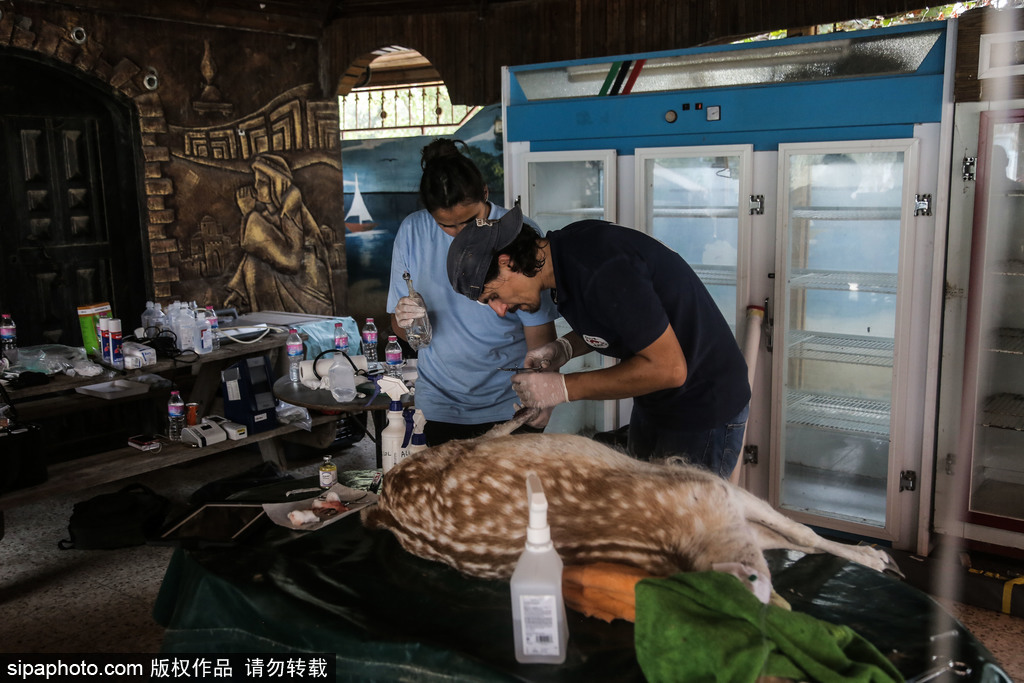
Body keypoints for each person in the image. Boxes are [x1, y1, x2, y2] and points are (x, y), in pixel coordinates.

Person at [446, 207, 750, 477]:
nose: (500, 310)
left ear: (507, 262)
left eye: (493, 296)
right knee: (644, 519)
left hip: (703, 405)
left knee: (683, 533)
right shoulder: (561, 259)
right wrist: (563, 349)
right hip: (657, 404)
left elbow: (669, 369)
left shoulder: (600, 266)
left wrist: (563, 389)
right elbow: (621, 318)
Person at [387, 139, 558, 446]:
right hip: (439, 402)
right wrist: (409, 322)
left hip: (509, 401)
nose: (460, 233)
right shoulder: (413, 232)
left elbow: (541, 337)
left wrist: (542, 392)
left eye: (468, 221)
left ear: (486, 195)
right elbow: (400, 327)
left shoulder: (518, 233)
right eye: (445, 225)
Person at [225, 154, 334, 315]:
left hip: (305, 285)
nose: (255, 187)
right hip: (288, 284)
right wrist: (238, 292)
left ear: (276, 184)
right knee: (256, 260)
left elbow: (291, 261)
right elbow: (254, 255)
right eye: (256, 181)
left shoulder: (290, 207)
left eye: (261, 182)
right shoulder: (268, 216)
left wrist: (249, 214)